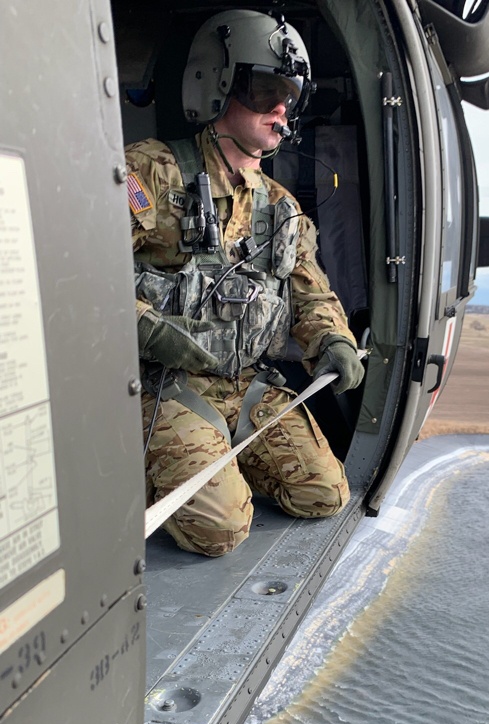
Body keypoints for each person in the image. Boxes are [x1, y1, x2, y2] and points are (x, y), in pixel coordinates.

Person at [126, 9, 364, 557]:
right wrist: (150, 330)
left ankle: (213, 461)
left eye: (292, 95)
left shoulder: (282, 208)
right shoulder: (152, 173)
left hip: (246, 387)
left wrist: (333, 341)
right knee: (222, 532)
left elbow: (310, 290)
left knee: (324, 494)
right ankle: (148, 467)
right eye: (265, 89)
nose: (281, 107)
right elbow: (80, 275)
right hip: (165, 387)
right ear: (216, 86)